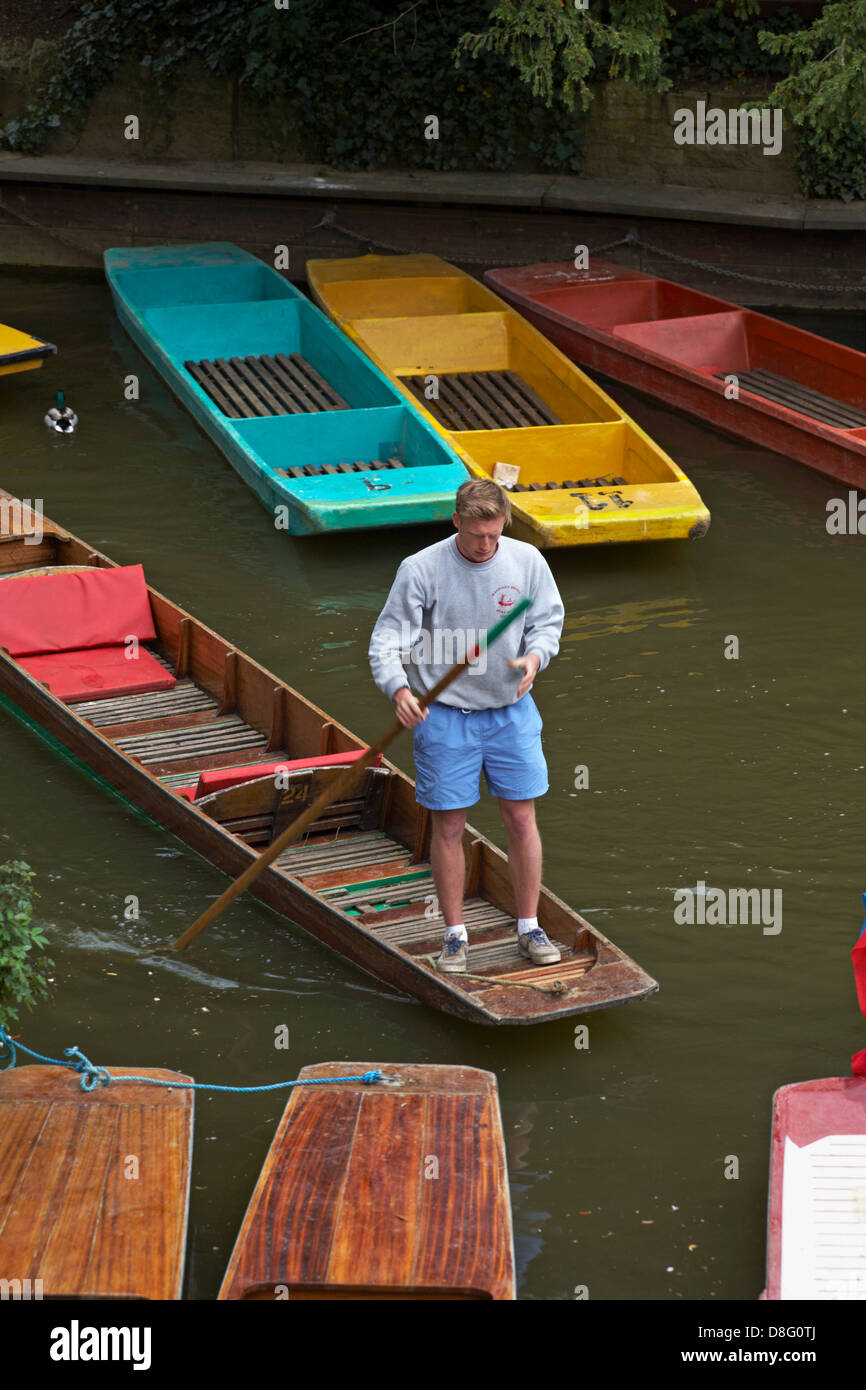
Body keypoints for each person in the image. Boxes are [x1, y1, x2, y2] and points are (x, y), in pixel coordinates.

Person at [368, 477, 564, 973]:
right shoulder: (420, 569)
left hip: (510, 713)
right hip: (445, 715)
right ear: (457, 521)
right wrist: (400, 690)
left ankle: (528, 926)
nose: (487, 546)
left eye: (496, 534)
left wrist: (536, 658)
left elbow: (547, 623)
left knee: (521, 818)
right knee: (450, 824)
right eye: (477, 535)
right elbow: (387, 642)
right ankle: (455, 935)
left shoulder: (527, 562)